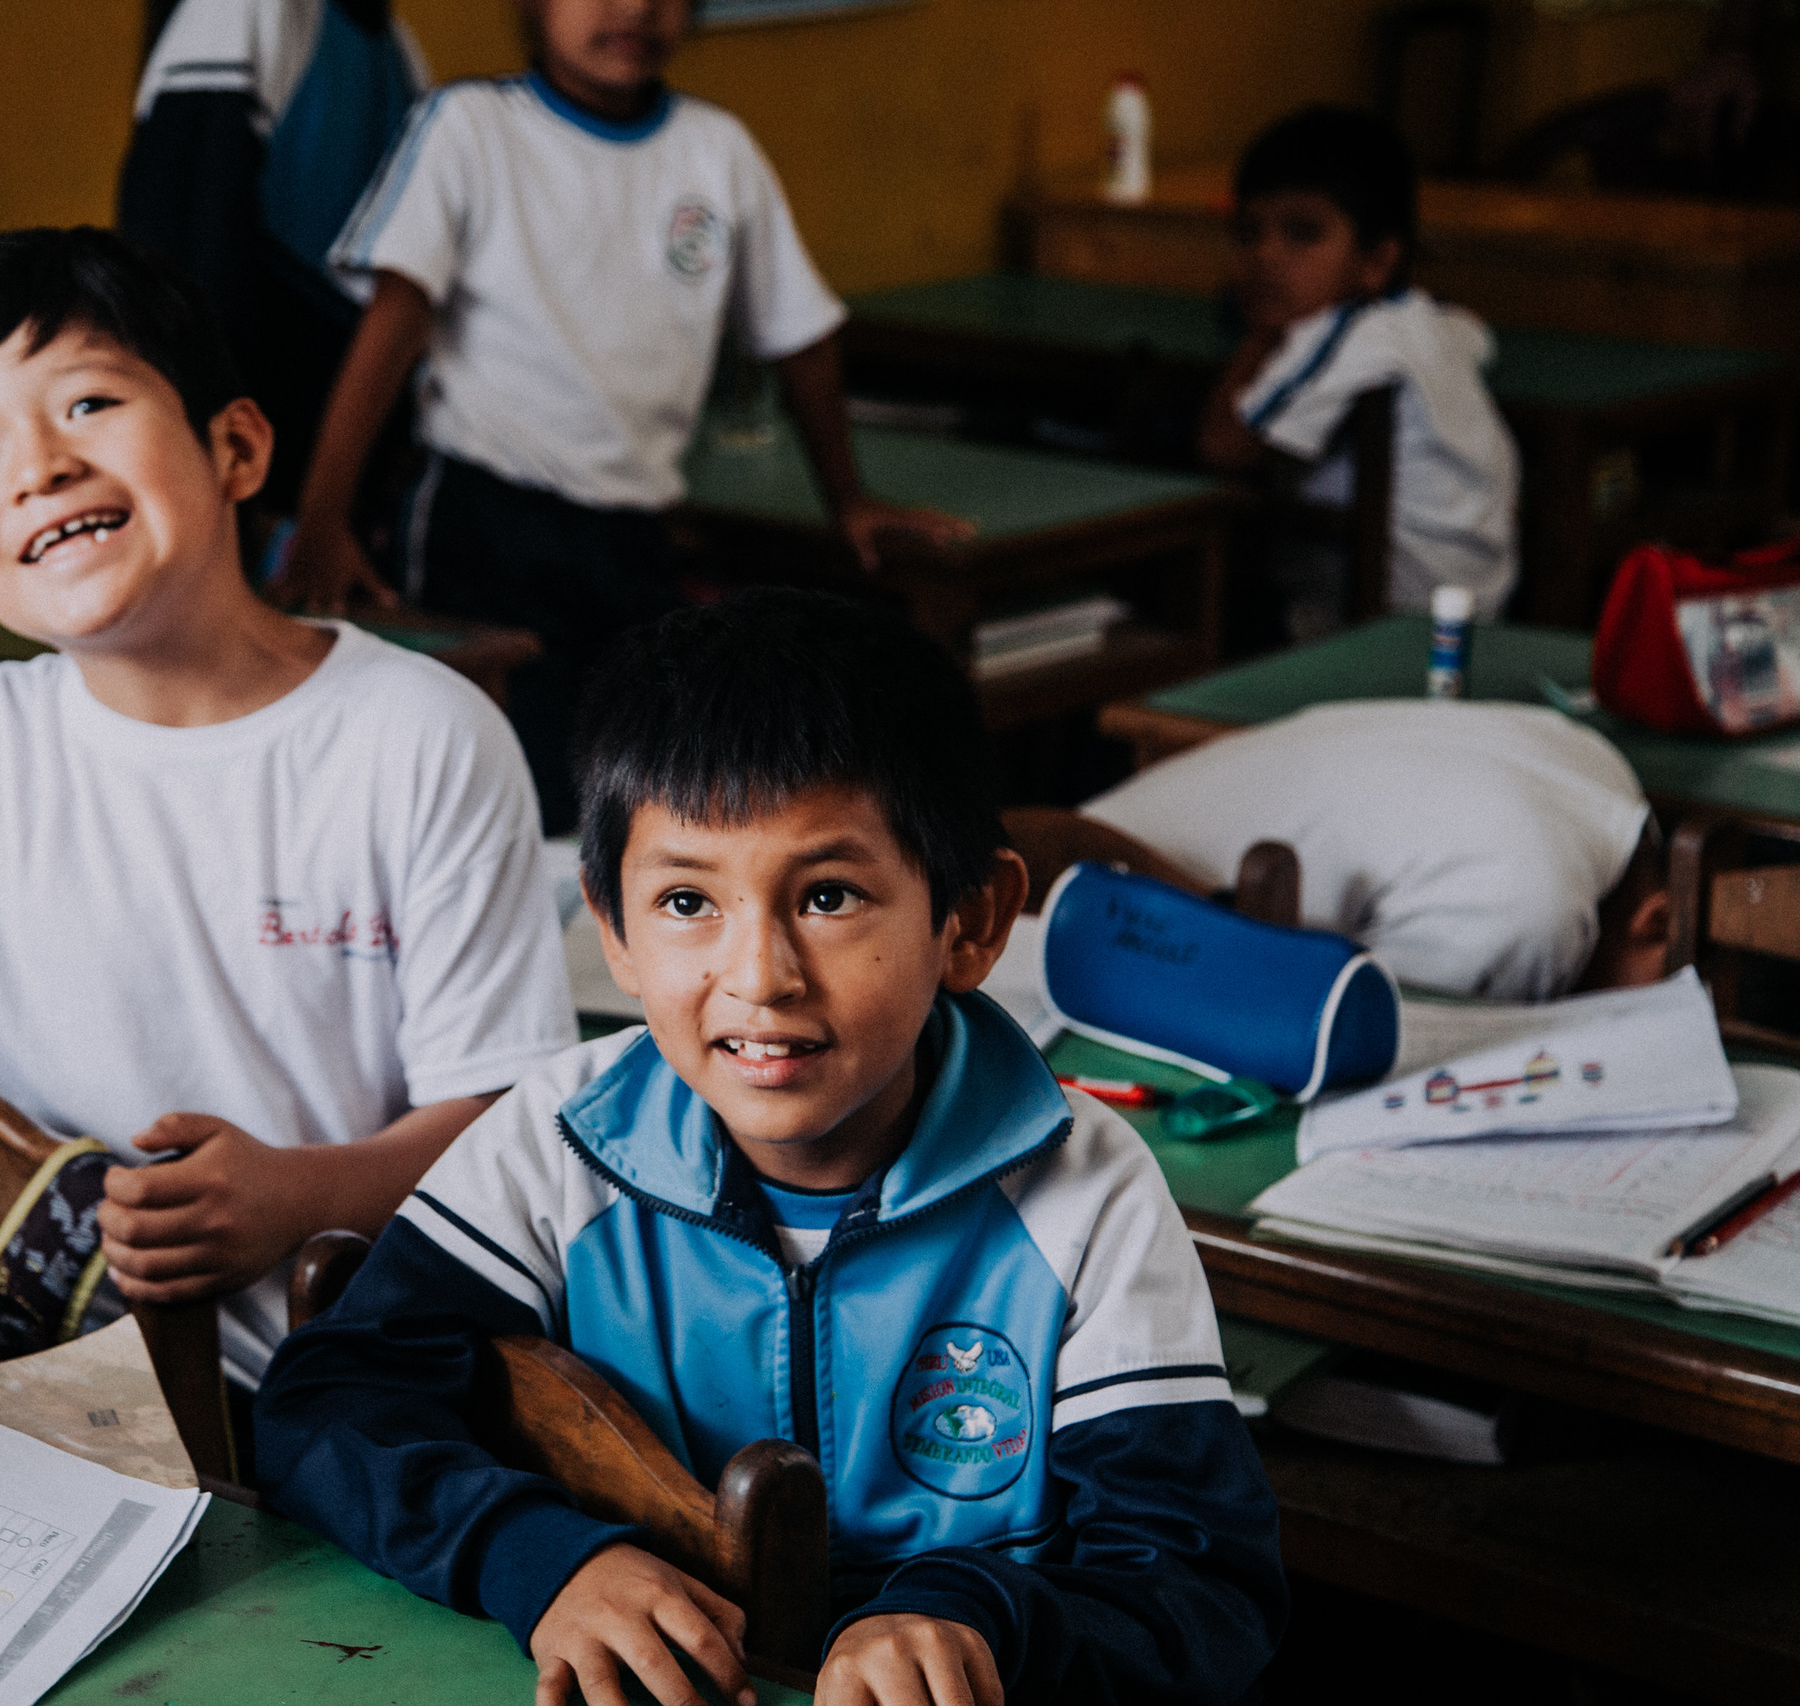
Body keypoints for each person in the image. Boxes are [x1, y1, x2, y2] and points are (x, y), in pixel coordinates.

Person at [254, 590, 1286, 1706]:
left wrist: (977, 1614)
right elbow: (325, 1404)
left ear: (971, 921)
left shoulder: (1085, 1191)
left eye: (830, 894)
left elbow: (1201, 1587)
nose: (760, 975)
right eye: (688, 899)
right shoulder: (560, 1140)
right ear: (615, 933)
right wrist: (542, 1556)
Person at [0, 229, 573, 1389]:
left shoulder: (419, 733)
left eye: (86, 404)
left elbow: (505, 1121)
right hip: (54, 1369)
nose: (37, 467)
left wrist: (294, 1194)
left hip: (354, 1375)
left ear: (235, 446)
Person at [275, 0, 969, 833]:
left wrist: (849, 498)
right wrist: (323, 516)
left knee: (634, 795)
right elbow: (391, 323)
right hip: (483, 521)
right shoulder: (472, 127)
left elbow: (802, 341)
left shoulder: (717, 152)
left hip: (635, 534)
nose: (633, 8)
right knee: (504, 794)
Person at [1052, 700, 1670, 1003]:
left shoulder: (1599, 765)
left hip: (1090, 840)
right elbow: (1381, 1034)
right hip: (1085, 926)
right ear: (1655, 920)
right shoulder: (1534, 912)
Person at [1197, 104, 1519, 640]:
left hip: (1384, 626)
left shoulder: (1342, 333)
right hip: (1476, 608)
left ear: (1376, 261)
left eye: (1302, 233)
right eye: (1248, 232)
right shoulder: (1431, 320)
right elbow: (1476, 339)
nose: (1266, 256)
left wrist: (1259, 335)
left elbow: (1223, 446)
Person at [117, 0, 428, 512]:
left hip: (318, 479)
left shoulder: (395, 46)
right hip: (238, 472)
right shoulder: (239, 13)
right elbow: (180, 265)